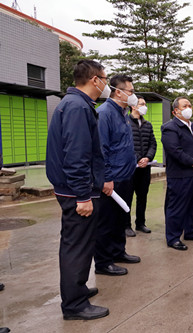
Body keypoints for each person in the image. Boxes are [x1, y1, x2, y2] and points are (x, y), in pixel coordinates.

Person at [45, 59, 109, 320]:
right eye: (104, 78)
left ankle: (77, 290)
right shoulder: (76, 107)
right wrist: (83, 195)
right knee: (77, 247)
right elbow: (77, 154)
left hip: (75, 188)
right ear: (95, 80)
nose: (106, 84)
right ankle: (74, 305)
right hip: (75, 191)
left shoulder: (77, 105)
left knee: (81, 244)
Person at [95, 74, 141, 276]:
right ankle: (104, 262)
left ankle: (118, 251)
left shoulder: (123, 113)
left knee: (120, 218)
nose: (132, 95)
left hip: (125, 175)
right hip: (111, 178)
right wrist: (106, 178)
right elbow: (101, 149)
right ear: (118, 91)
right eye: (130, 91)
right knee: (106, 221)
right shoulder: (104, 113)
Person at [161, 97, 193, 251]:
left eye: (190, 105)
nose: (189, 108)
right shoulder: (170, 128)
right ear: (176, 111)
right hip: (181, 175)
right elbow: (175, 151)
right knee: (176, 207)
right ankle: (173, 237)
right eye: (185, 106)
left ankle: (190, 231)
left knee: (192, 205)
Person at [125, 95, 157, 236]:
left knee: (142, 196)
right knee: (127, 197)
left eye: (145, 104)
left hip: (145, 168)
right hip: (130, 168)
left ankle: (140, 223)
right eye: (142, 104)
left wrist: (148, 157)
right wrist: (138, 158)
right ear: (133, 106)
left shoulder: (147, 124)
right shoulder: (125, 122)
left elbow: (153, 144)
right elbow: (125, 145)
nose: (145, 106)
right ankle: (126, 225)